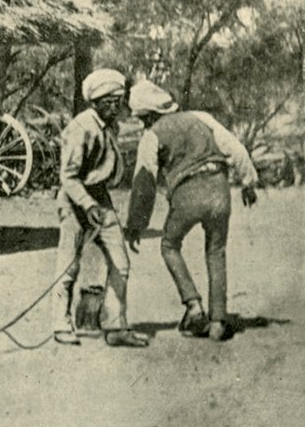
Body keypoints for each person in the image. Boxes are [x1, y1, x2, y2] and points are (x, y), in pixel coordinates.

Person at [122, 79, 259, 342]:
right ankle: (218, 321)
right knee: (216, 251)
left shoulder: (151, 136)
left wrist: (136, 223)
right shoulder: (201, 117)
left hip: (187, 194)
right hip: (219, 189)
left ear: (148, 115)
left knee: (169, 246)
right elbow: (235, 148)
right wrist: (248, 182)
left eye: (141, 119)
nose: (142, 124)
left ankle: (194, 307)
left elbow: (144, 184)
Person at [50, 68, 149, 348]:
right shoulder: (81, 128)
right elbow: (68, 177)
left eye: (118, 101)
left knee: (121, 262)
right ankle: (60, 324)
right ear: (96, 102)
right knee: (68, 265)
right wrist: (87, 204)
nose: (116, 107)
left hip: (99, 199)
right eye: (110, 102)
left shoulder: (110, 127)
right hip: (75, 200)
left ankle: (116, 326)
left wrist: (97, 203)